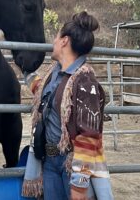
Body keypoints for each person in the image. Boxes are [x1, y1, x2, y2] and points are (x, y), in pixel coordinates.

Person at [22, 11, 114, 200]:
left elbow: (89, 136)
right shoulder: (54, 74)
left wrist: (79, 185)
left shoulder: (85, 82)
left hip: (71, 164)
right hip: (50, 161)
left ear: (64, 41)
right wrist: (26, 71)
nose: (53, 42)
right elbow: (46, 94)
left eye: (56, 37)